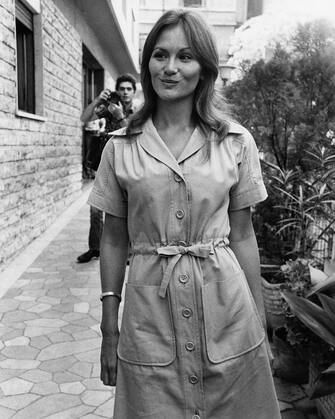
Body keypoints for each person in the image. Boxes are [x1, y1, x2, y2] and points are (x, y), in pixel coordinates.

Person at [88, 9, 281, 419]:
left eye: (185, 57)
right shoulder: (120, 147)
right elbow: (114, 238)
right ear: (147, 64)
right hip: (148, 315)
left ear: (205, 68)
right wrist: (109, 326)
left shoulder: (234, 142)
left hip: (226, 308)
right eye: (160, 55)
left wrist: (259, 322)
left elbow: (244, 235)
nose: (170, 68)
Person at [77, 73, 137, 263]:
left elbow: (135, 136)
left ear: (134, 92)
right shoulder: (109, 108)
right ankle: (95, 248)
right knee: (96, 208)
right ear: (117, 91)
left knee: (128, 209)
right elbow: (84, 118)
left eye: (129, 89)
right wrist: (97, 100)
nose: (125, 92)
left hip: (130, 166)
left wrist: (120, 117)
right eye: (122, 89)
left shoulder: (139, 113)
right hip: (107, 163)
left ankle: (129, 251)